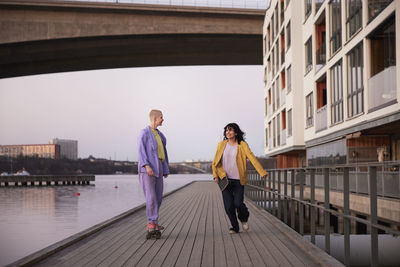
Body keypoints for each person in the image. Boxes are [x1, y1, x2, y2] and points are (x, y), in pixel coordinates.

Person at [212, 123, 267, 234]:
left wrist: (261, 172)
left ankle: (244, 217)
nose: (228, 132)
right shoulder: (221, 145)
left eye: (230, 130)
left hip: (238, 180)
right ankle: (235, 227)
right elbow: (215, 162)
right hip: (224, 179)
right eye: (226, 130)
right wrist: (215, 176)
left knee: (238, 203)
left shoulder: (242, 145)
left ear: (236, 132)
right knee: (228, 206)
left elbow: (252, 158)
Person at [138, 109, 169, 239]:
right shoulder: (144, 133)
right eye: (161, 117)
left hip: (159, 167)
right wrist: (146, 165)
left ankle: (155, 222)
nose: (163, 119)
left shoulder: (160, 135)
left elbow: (164, 153)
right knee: (151, 198)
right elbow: (141, 151)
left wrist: (165, 169)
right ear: (155, 118)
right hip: (148, 170)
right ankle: (151, 223)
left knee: (158, 197)